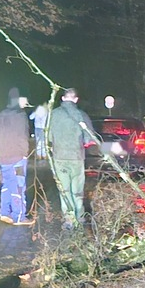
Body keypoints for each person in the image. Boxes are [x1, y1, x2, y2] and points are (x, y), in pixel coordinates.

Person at [47, 87, 95, 229]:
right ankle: (80, 217)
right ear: (76, 99)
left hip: (59, 157)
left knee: (64, 190)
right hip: (76, 158)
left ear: (62, 99)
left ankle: (69, 219)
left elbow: (48, 137)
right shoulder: (82, 115)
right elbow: (89, 139)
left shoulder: (53, 115)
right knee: (77, 190)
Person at [0, 87, 32, 226]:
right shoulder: (20, 116)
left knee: (7, 184)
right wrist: (24, 154)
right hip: (17, 157)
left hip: (3, 158)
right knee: (18, 186)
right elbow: (22, 137)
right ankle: (19, 216)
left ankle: (4, 212)